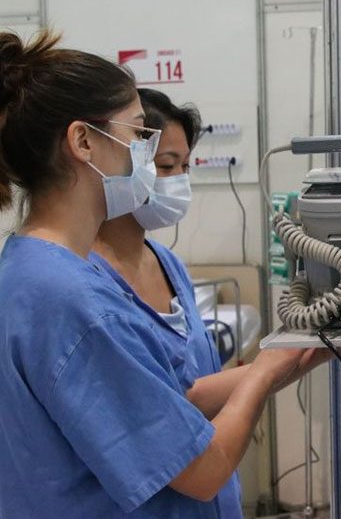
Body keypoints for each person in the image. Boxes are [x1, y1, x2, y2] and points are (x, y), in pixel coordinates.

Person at [0, 30, 321, 517]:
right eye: (138, 136)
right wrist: (265, 373)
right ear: (83, 141)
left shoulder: (28, 272)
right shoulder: (71, 299)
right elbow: (204, 471)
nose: (147, 159)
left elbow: (168, 403)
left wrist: (297, 354)